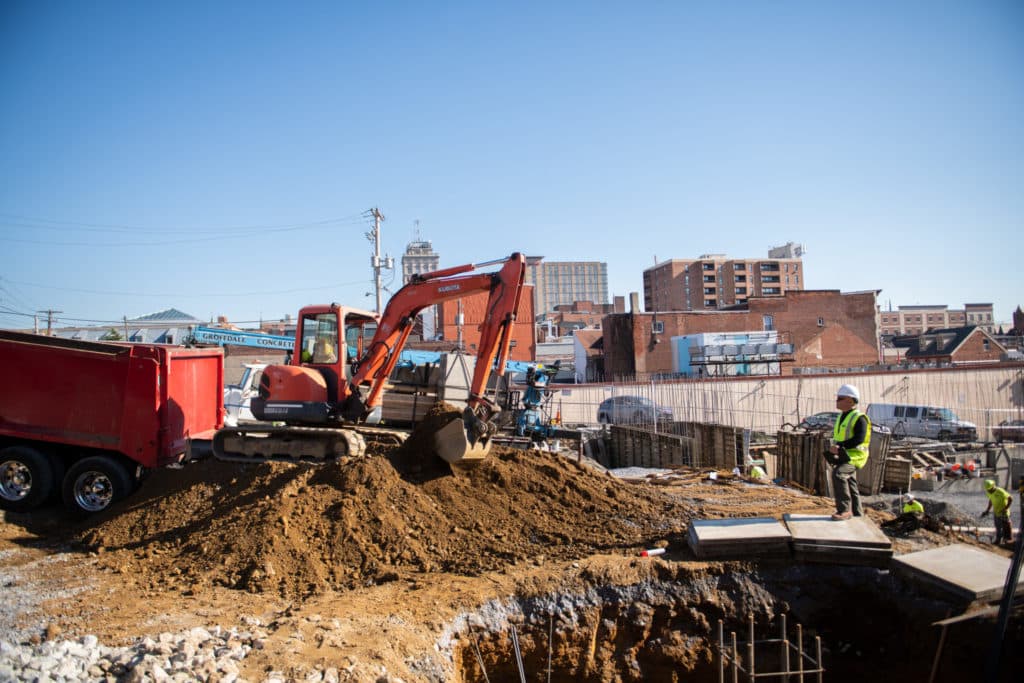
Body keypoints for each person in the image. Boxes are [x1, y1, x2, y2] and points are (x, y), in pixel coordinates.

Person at [823, 384, 871, 520]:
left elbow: (859, 438)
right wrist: (836, 447)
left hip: (856, 456)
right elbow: (840, 437)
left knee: (839, 474)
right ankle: (857, 513)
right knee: (851, 482)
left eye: (840, 398)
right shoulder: (842, 416)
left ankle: (844, 510)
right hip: (845, 454)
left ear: (850, 400)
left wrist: (841, 446)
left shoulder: (860, 418)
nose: (837, 401)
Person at [981, 479, 1013, 545]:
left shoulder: (1000, 491)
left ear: (993, 486)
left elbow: (1010, 498)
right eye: (988, 490)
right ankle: (998, 540)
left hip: (1003, 512)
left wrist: (1006, 508)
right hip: (996, 512)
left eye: (990, 489)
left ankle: (1009, 539)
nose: (989, 491)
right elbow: (991, 501)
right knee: (998, 527)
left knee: (1007, 525)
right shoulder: (989, 492)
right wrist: (987, 510)